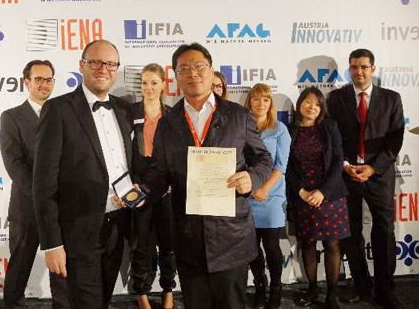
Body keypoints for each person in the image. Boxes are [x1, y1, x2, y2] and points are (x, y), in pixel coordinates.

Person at [141, 42, 273, 309]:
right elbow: (159, 173)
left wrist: (252, 178)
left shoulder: (238, 116)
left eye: (199, 66)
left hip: (231, 236)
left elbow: (263, 159)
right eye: (184, 69)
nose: (193, 73)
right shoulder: (167, 123)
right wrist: (141, 192)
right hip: (188, 236)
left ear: (211, 71)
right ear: (176, 77)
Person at [33, 40, 134, 309]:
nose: (103, 69)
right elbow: (43, 183)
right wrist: (52, 243)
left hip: (117, 226)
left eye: (110, 64)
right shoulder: (57, 110)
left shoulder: (124, 109)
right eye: (96, 62)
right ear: (82, 66)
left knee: (102, 300)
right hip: (77, 232)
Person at [327, 49, 404, 309]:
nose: (358, 72)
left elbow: (396, 138)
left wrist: (373, 168)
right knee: (350, 234)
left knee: (384, 232)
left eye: (363, 67)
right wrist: (346, 165)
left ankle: (385, 290)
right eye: (353, 67)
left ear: (372, 68)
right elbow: (333, 137)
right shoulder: (336, 98)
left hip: (379, 176)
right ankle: (361, 287)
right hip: (347, 175)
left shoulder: (391, 98)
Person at [0, 60, 70, 309]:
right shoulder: (11, 117)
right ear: (26, 82)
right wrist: (42, 195)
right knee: (19, 268)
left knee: (61, 270)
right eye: (38, 79)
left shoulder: (63, 114)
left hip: (59, 208)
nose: (44, 84)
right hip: (26, 208)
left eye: (49, 79)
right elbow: (14, 163)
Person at [286, 87, 349, 309]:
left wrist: (323, 191)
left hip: (330, 196)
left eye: (317, 104)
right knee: (308, 243)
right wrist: (301, 191)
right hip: (303, 196)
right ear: (299, 104)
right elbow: (286, 166)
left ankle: (332, 294)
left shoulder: (330, 127)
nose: (312, 107)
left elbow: (338, 160)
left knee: (333, 245)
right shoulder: (290, 130)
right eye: (308, 102)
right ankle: (312, 288)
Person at [130, 63, 176, 309]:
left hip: (165, 188)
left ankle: (168, 290)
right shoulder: (131, 112)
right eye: (144, 83)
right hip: (138, 186)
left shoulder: (172, 115)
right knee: (141, 244)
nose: (149, 88)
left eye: (154, 83)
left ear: (163, 85)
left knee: (168, 244)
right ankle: (142, 293)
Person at [245, 84, 291, 309]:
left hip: (272, 197)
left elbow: (281, 166)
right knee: (252, 249)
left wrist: (264, 189)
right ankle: (260, 287)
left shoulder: (279, 129)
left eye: (265, 99)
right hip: (248, 196)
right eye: (256, 99)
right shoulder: (242, 128)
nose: (261, 104)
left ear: (270, 103)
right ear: (249, 102)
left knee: (272, 247)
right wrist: (252, 189)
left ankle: (276, 288)